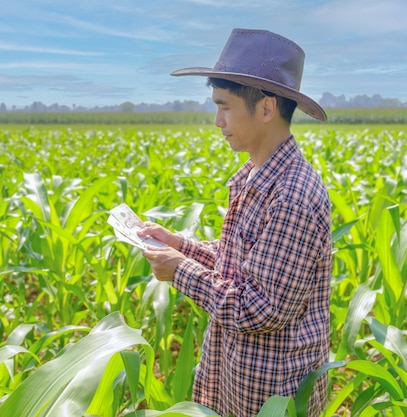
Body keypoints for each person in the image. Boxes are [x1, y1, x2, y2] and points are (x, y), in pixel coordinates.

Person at [138, 29, 332, 417]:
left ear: (265, 108)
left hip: (273, 396)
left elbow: (259, 308)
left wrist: (181, 272)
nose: (216, 121)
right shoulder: (252, 176)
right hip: (237, 378)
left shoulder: (292, 196)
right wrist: (180, 245)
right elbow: (241, 262)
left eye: (224, 107)